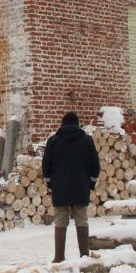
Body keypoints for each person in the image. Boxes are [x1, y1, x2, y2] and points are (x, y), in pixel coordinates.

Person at [41, 111, 100, 263]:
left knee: (60, 220)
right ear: (77, 123)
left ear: (63, 123)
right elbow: (95, 165)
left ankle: (59, 257)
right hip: (81, 186)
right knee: (82, 220)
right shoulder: (87, 140)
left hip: (60, 187)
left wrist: (50, 183)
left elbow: (46, 164)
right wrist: (91, 183)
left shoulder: (53, 141)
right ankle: (84, 255)